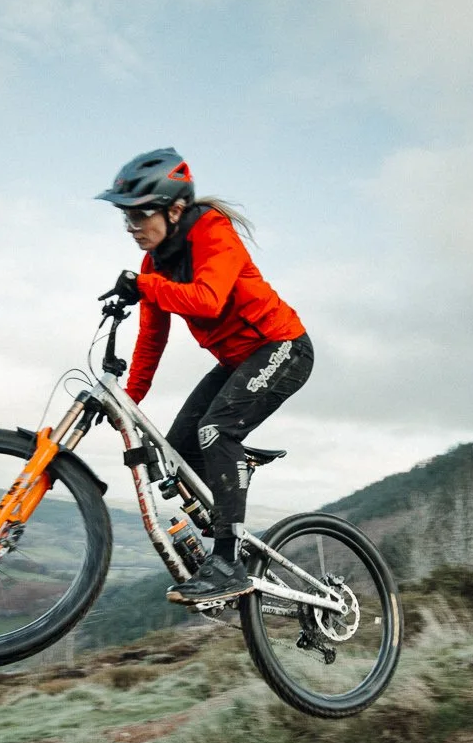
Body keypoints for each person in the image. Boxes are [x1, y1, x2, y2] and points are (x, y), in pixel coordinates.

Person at [97, 147, 313, 604]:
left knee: (216, 430)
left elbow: (209, 298)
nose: (132, 228)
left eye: (140, 215)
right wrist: (127, 403)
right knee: (178, 451)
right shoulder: (154, 266)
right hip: (239, 361)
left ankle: (227, 562)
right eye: (125, 219)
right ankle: (233, 483)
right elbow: (151, 342)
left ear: (175, 210)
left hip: (282, 347)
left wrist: (144, 287)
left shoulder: (214, 232)